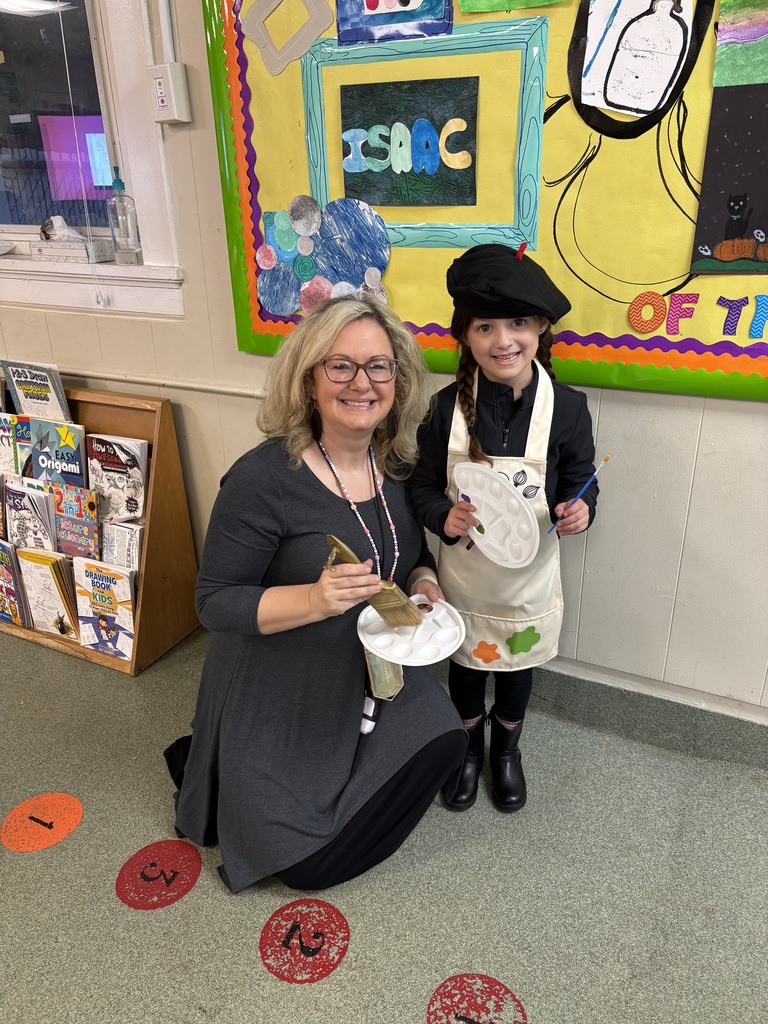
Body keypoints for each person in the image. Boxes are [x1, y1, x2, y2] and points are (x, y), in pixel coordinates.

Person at [165, 295, 465, 894]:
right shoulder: (263, 479)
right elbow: (215, 602)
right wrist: (314, 600)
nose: (362, 383)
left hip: (366, 672)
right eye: (340, 366)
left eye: (379, 366)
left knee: (447, 737)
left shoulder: (395, 465)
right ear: (308, 380)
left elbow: (409, 556)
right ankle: (218, 760)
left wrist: (424, 583)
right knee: (306, 868)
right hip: (279, 679)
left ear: (398, 381)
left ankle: (236, 766)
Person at [407, 243, 598, 814]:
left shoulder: (567, 409)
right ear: (466, 336)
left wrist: (581, 510)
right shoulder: (445, 409)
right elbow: (418, 486)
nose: (503, 341)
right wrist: (442, 515)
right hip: (464, 581)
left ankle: (505, 751)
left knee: (517, 669)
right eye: (485, 327)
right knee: (465, 670)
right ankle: (468, 750)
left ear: (541, 327)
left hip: (528, 582)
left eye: (518, 323)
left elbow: (583, 481)